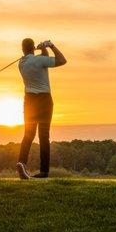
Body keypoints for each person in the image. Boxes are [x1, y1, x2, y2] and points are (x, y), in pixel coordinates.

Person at [16, 38, 67, 179]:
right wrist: (50, 45)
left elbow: (42, 61)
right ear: (33, 47)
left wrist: (40, 50)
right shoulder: (39, 61)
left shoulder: (21, 63)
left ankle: (21, 162)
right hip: (44, 100)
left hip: (29, 101)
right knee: (44, 136)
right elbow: (62, 60)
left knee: (28, 135)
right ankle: (44, 172)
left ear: (22, 49)